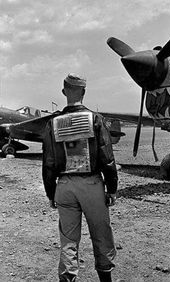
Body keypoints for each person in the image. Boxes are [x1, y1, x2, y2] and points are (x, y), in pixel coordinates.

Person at [42, 73, 118, 282]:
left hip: (64, 186)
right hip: (92, 185)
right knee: (101, 234)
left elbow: (48, 163)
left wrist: (51, 192)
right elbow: (107, 158)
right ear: (84, 92)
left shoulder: (52, 123)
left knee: (68, 239)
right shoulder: (95, 119)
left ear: (64, 91)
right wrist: (111, 188)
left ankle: (67, 278)